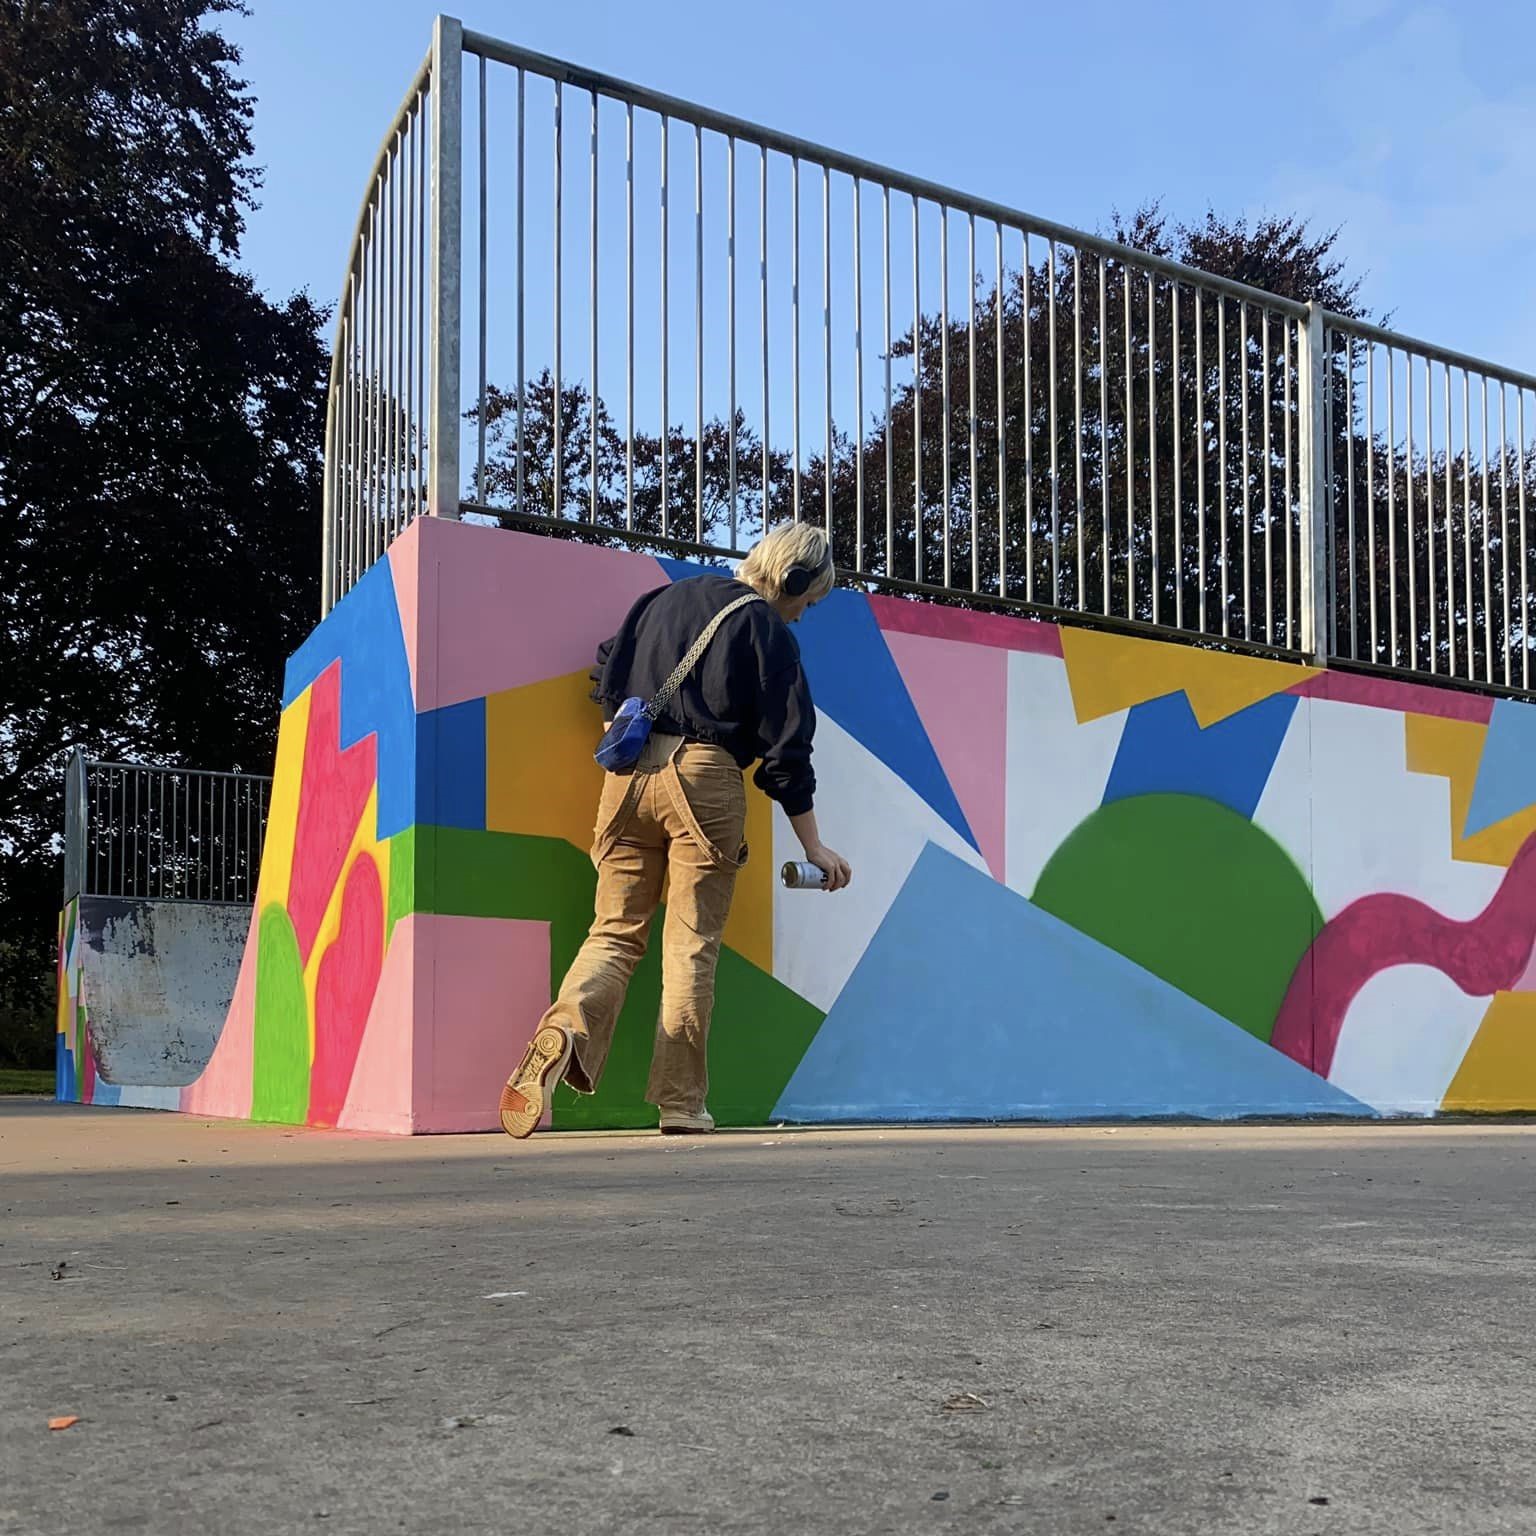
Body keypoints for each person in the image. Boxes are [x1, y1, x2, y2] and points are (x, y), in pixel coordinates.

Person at [499, 523, 852, 1140]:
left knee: (613, 932)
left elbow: (607, 667)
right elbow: (787, 753)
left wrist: (626, 730)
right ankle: (681, 1105)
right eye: (809, 600)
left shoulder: (664, 600)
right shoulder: (766, 629)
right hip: (706, 779)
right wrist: (813, 846)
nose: (802, 614)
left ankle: (562, 1031)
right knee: (690, 946)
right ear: (793, 579)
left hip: (626, 775)